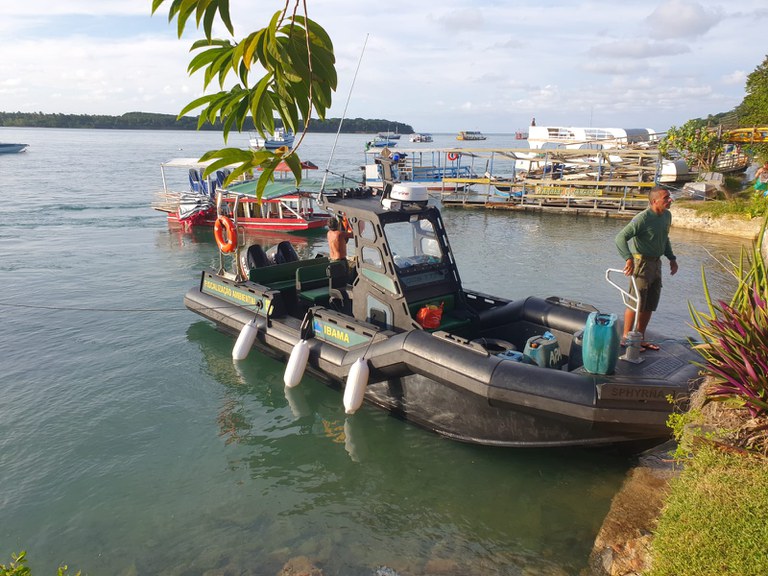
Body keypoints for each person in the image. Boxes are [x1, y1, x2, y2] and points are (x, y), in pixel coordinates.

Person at [615, 187, 678, 351]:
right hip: (641, 263)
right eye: (666, 198)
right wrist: (628, 258)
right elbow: (621, 237)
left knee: (650, 302)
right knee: (636, 301)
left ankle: (640, 337)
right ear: (655, 201)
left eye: (669, 197)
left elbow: (665, 238)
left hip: (656, 263)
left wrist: (672, 258)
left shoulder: (666, 216)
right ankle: (626, 337)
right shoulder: (642, 218)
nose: (669, 200)